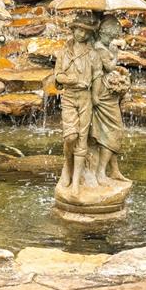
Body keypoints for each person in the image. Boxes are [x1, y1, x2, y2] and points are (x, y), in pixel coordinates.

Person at [54, 12, 101, 196]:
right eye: (78, 30)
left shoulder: (92, 54)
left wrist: (95, 96)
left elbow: (97, 75)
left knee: (82, 138)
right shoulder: (63, 52)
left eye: (85, 31)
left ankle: (75, 182)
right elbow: (57, 75)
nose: (81, 34)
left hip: (85, 98)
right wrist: (69, 80)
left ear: (89, 34)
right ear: (73, 30)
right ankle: (67, 165)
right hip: (69, 97)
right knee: (70, 137)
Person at [90, 15, 130, 185]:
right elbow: (109, 67)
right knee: (114, 131)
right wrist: (115, 53)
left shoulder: (103, 44)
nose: (113, 38)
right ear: (105, 31)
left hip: (107, 92)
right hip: (102, 94)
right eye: (112, 34)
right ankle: (100, 172)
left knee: (110, 132)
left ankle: (114, 170)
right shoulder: (99, 47)